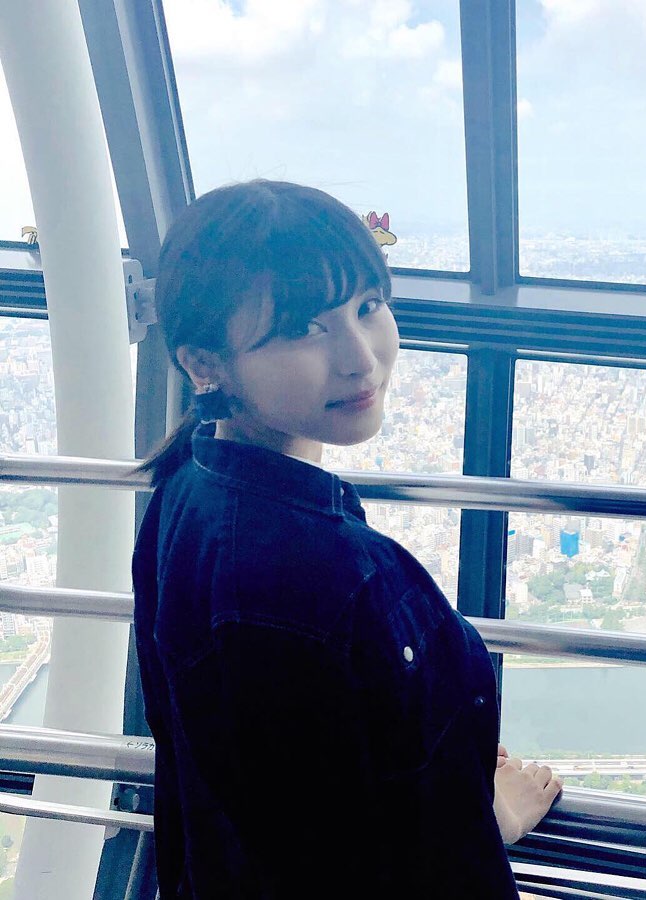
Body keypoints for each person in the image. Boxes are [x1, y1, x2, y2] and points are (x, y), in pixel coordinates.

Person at [131, 179, 562, 898]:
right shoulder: (325, 574)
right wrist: (482, 819)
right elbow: (351, 855)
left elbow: (277, 797)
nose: (360, 357)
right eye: (305, 327)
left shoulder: (185, 492)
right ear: (204, 363)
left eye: (367, 307)